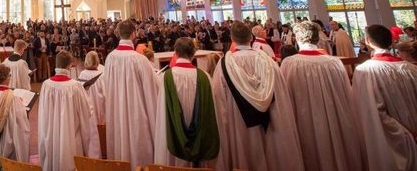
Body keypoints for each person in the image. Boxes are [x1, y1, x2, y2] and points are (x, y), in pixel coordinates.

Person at [211, 21, 304, 171]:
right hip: (270, 122)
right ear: (251, 38)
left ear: (232, 39)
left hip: (239, 124)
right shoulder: (268, 61)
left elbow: (219, 100)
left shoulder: (224, 65)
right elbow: (281, 94)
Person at [281, 21, 363, 171]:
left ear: (297, 38)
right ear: (317, 38)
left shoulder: (290, 63)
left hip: (304, 118)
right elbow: (346, 92)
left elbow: (284, 94)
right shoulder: (334, 62)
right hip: (335, 117)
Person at [353, 24, 417, 171]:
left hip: (390, 141)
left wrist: (403, 134)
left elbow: (369, 111)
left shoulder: (365, 71)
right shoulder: (412, 68)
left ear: (367, 41)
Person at [102, 20, 158, 169]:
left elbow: (107, 87)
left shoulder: (110, 58)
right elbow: (152, 89)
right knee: (138, 145)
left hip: (117, 111)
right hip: (136, 112)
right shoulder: (139, 60)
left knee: (120, 144)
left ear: (119, 34)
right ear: (133, 35)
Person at [154, 38, 219, 168]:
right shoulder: (205, 77)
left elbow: (162, 111)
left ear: (175, 52)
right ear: (193, 53)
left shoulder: (165, 77)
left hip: (174, 140)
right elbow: (211, 111)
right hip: (200, 138)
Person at [38, 51, 100, 171]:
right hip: (70, 134)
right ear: (69, 66)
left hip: (51, 134)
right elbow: (87, 111)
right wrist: (85, 92)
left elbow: (43, 113)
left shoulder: (46, 84)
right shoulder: (75, 86)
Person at [0, 65, 30, 163]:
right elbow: (20, 118)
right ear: (5, 78)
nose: (10, 78)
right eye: (9, 75)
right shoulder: (11, 96)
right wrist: (21, 105)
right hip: (6, 132)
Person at [78, 50, 105, 125]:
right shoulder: (102, 75)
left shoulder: (82, 74)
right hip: (99, 107)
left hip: (86, 109)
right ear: (97, 61)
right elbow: (106, 93)